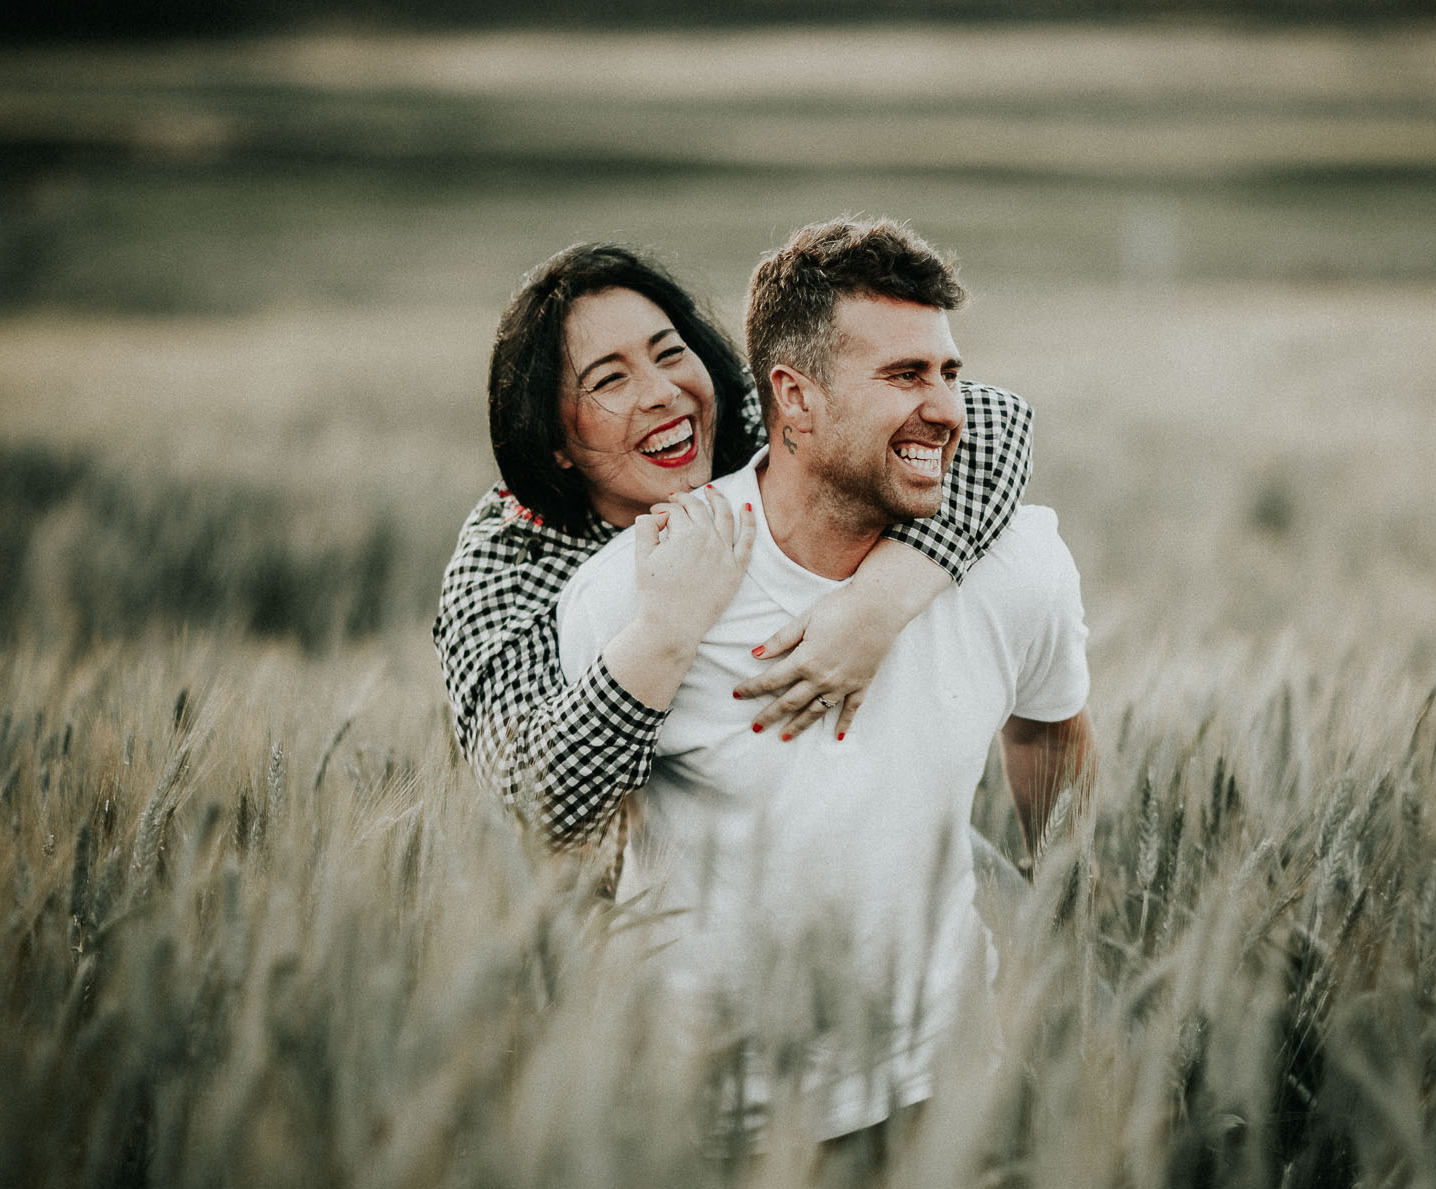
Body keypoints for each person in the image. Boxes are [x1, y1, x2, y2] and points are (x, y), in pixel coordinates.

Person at [555, 218, 1096, 1139]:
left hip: (946, 1097)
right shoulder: (635, 596)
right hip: (703, 1123)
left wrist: (1066, 941)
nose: (946, 408)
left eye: (948, 373)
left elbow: (1049, 734)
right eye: (904, 377)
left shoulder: (1018, 567)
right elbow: (568, 842)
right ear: (794, 402)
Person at [433, 243, 1035, 847]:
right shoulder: (510, 561)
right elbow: (526, 804)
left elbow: (993, 419)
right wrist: (666, 631)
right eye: (609, 380)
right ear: (553, 439)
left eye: (671, 353)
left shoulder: (753, 422)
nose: (663, 392)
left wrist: (875, 607)